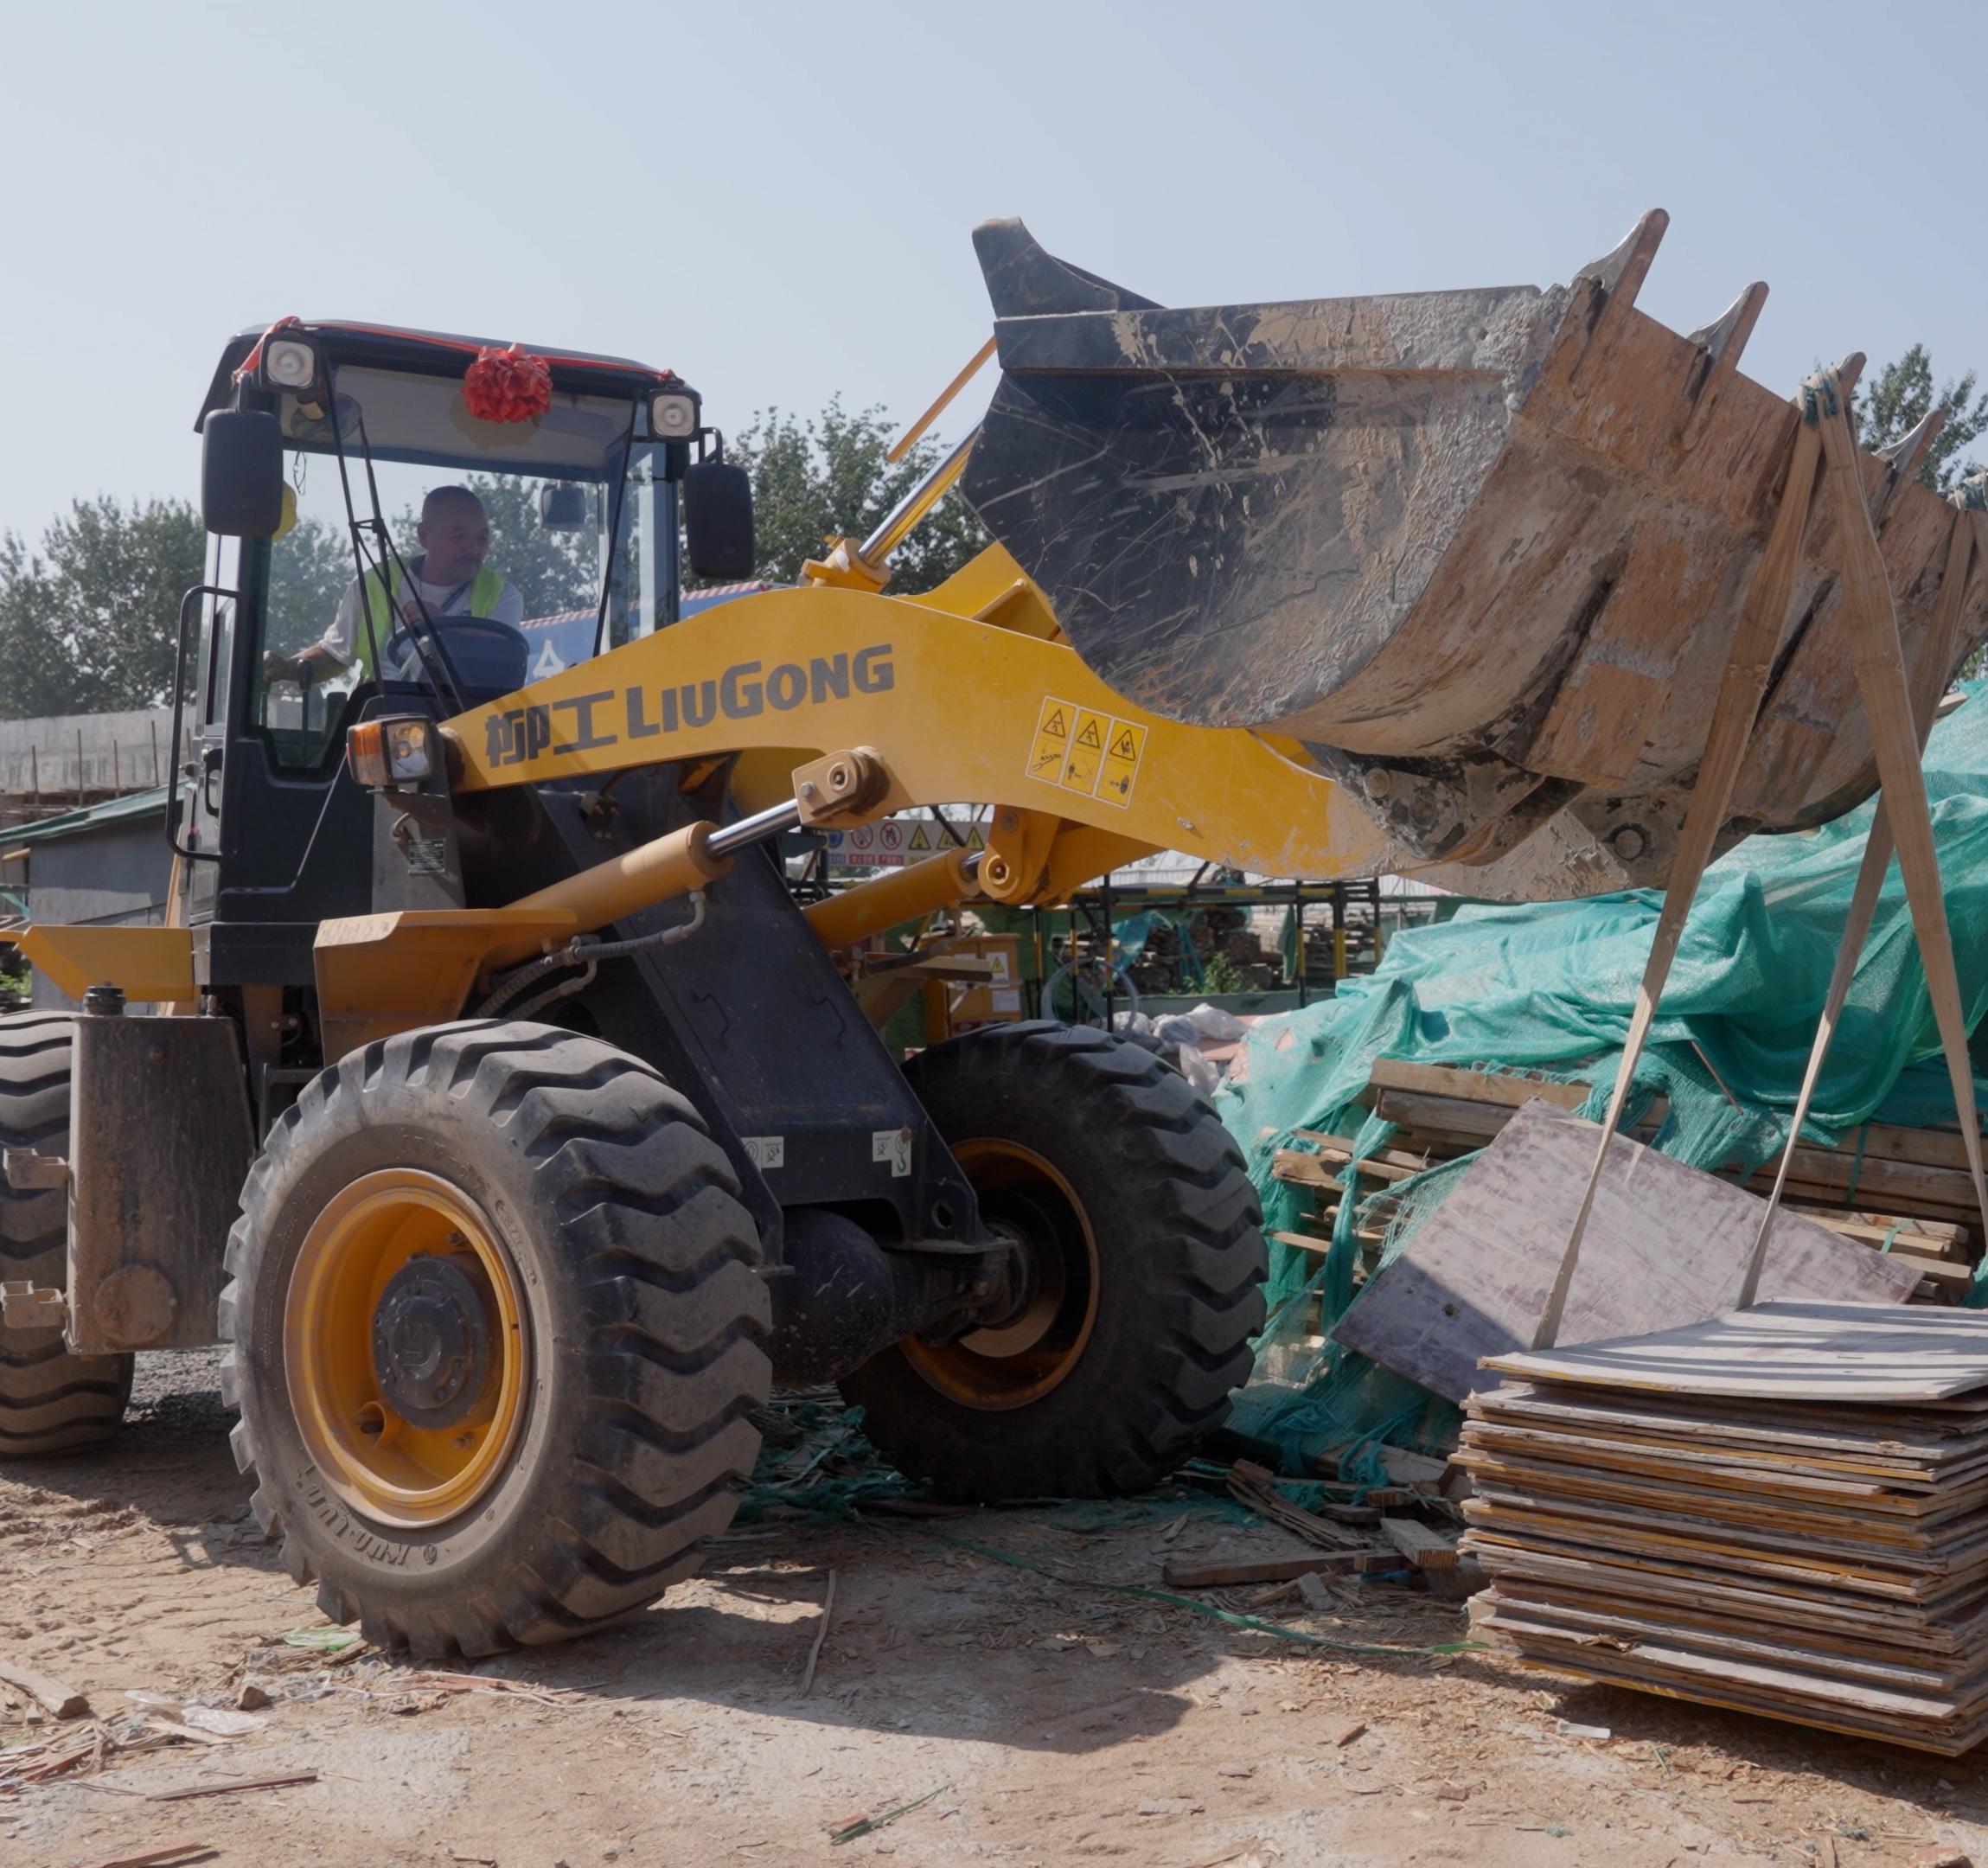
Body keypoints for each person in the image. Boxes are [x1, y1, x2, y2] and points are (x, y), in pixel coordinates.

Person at [264, 484, 525, 684]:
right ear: (425, 535)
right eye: (459, 537)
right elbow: (335, 654)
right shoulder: (374, 583)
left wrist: (443, 626)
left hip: (460, 718)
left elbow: (502, 656)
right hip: (380, 715)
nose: (474, 548)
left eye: (482, 538)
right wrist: (287, 669)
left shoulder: (502, 593)